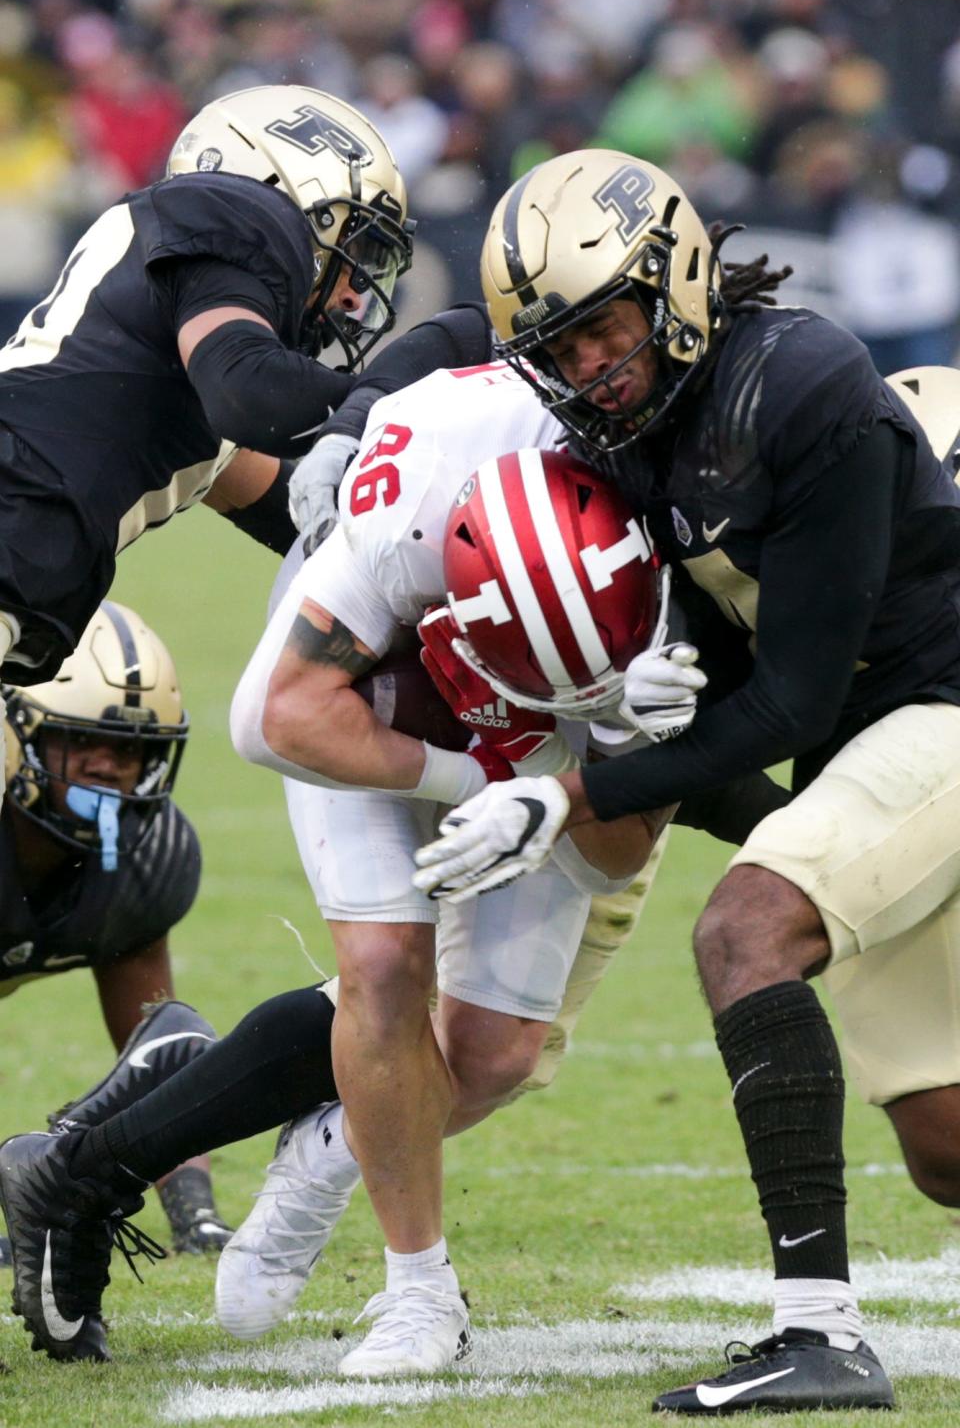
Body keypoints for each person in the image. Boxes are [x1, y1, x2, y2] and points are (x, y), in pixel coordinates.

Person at [0, 368, 785, 1369]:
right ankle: (419, 1295)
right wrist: (479, 781)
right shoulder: (397, 533)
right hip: (366, 695)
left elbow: (603, 861)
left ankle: (135, 1157)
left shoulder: (666, 566)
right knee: (382, 968)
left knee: (497, 1051)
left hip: (572, 699)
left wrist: (611, 752)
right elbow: (274, 717)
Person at [413, 148, 960, 1412]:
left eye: (605, 323)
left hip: (933, 711)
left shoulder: (805, 384)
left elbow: (793, 700)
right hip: (873, 744)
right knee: (942, 1142)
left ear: (674, 281)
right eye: (562, 343)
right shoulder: (647, 425)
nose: (591, 361)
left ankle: (820, 1336)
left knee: (746, 928)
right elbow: (749, 678)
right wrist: (644, 690)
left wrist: (571, 792)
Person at [0, 81, 494, 805]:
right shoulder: (235, 209)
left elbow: (318, 524)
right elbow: (252, 389)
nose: (357, 294)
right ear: (286, 187)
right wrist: (411, 410)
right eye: (354, 247)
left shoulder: (189, 394)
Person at [0, 600, 231, 1261]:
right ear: (19, 737)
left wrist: (195, 1213)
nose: (107, 765)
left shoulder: (145, 858)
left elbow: (153, 1051)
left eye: (129, 748)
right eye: (81, 741)